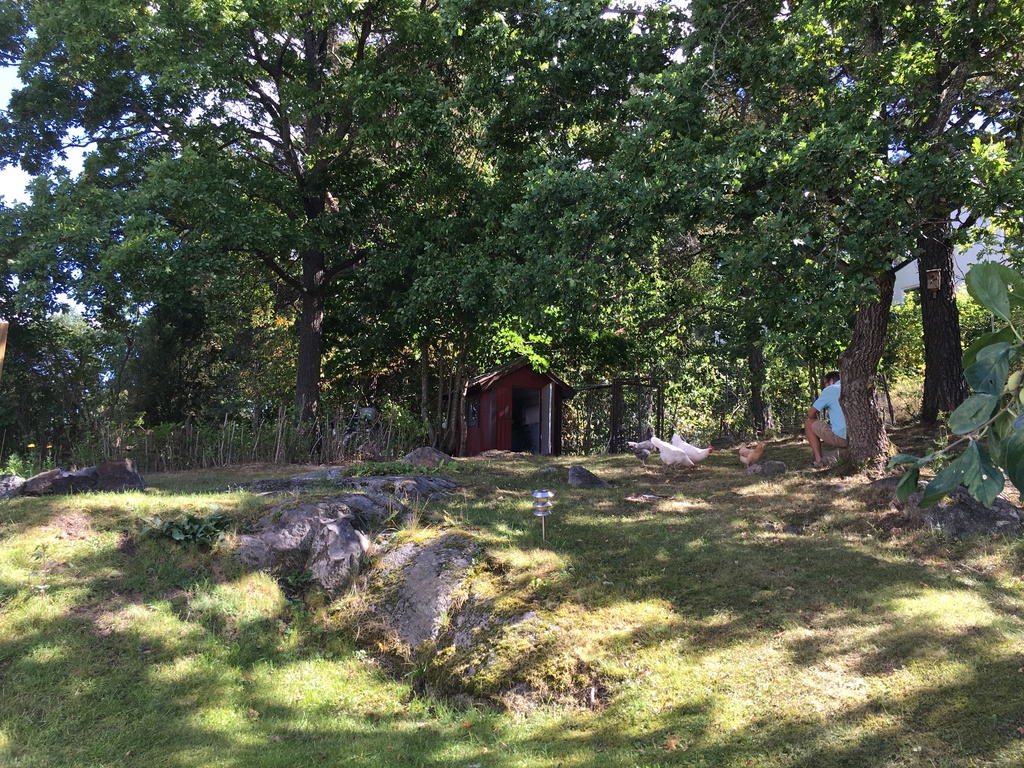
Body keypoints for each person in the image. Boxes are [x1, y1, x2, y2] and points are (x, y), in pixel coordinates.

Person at [804, 371, 847, 467]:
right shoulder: (852, 387)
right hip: (857, 435)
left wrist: (814, 418)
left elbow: (811, 413)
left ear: (831, 381)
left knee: (808, 423)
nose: (824, 386)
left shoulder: (831, 390)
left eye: (825, 383)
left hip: (842, 437)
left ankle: (818, 461)